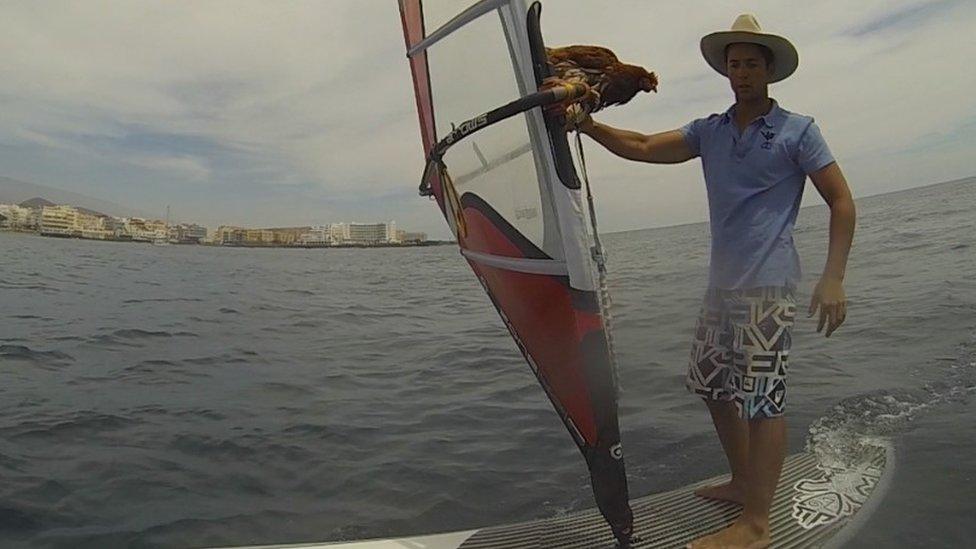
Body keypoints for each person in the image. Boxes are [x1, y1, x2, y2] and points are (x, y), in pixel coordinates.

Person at [559, 13, 856, 549]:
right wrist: (587, 125)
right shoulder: (711, 131)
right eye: (734, 64)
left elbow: (841, 201)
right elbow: (646, 145)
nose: (741, 73)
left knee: (763, 400)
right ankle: (745, 483)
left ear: (769, 70)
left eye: (751, 64)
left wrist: (833, 277)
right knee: (712, 387)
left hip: (768, 286)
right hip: (722, 287)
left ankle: (758, 526)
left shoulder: (798, 130)